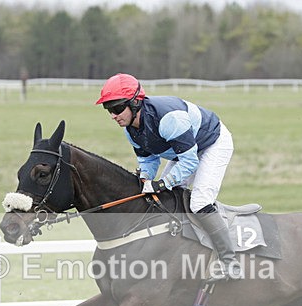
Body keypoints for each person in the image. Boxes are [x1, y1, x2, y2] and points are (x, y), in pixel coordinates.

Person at [96, 73, 239, 282]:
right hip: (182, 150)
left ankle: (230, 262)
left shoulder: (169, 119)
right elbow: (148, 159)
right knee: (162, 199)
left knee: (199, 202)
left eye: (117, 108)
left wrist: (162, 183)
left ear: (135, 103)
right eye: (108, 110)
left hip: (212, 144)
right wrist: (145, 180)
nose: (113, 115)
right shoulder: (130, 129)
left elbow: (190, 162)